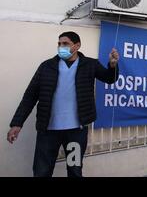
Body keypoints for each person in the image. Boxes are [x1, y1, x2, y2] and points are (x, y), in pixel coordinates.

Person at [7, 31, 119, 177]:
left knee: (74, 170)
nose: (61, 47)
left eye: (65, 44)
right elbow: (30, 96)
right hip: (48, 131)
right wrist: (17, 123)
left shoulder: (90, 65)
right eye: (59, 44)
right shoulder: (46, 66)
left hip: (76, 131)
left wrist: (112, 65)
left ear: (77, 46)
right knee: (42, 171)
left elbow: (110, 79)